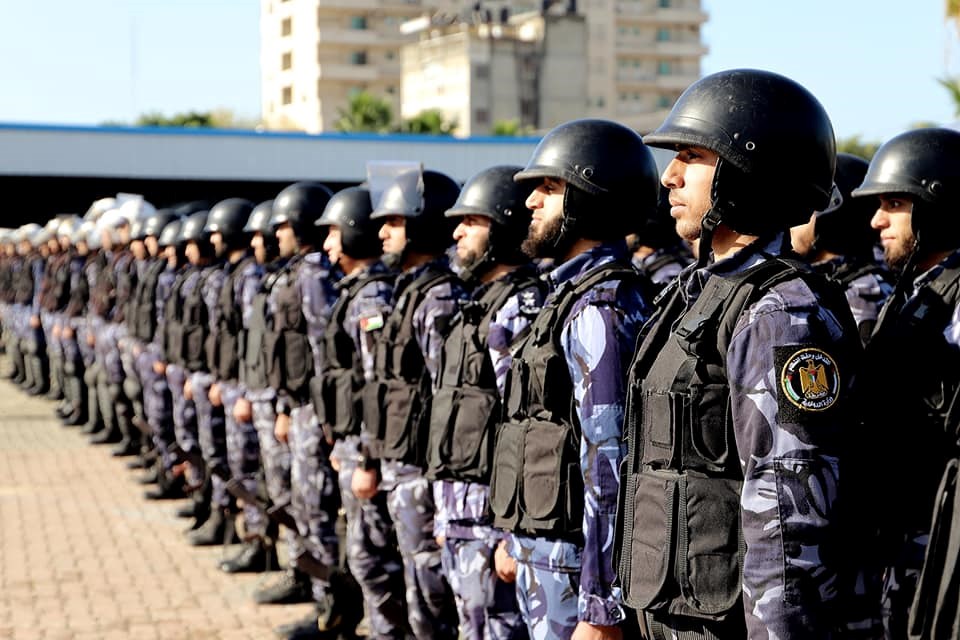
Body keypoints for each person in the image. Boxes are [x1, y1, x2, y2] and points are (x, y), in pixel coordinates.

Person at [614, 69, 863, 639]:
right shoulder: (697, 292)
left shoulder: (780, 315)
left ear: (748, 172)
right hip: (672, 613)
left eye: (692, 156)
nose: (670, 176)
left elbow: (788, 524)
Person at [488, 118, 657, 640]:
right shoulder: (566, 296)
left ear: (590, 197)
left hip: (574, 569)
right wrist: (514, 536)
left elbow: (609, 460)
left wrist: (600, 608)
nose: (531, 201)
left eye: (549, 187)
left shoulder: (600, 307)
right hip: (546, 555)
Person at [849, 127, 960, 639]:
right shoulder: (916, 294)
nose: (877, 220)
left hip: (940, 545)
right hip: (903, 541)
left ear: (938, 208)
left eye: (894, 204)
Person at [425, 165, 543, 640]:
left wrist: (510, 536)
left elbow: (525, 430)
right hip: (461, 517)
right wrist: (444, 514)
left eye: (471, 221)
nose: (457, 233)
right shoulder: (478, 304)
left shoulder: (519, 309)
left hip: (492, 524)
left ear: (504, 227)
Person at [354, 167, 465, 640]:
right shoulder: (411, 290)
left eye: (395, 222)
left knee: (432, 602)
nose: (382, 232)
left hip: (424, 475)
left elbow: (449, 399)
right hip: (402, 469)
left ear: (422, 224)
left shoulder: (440, 298)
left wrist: (444, 498)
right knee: (417, 597)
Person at [317, 186, 407, 639]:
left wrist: (367, 460)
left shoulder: (372, 299)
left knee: (374, 560)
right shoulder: (356, 291)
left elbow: (378, 386)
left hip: (370, 452)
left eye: (334, 232)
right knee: (364, 555)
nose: (327, 244)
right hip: (355, 445)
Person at [790, 152, 894, 344]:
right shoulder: (830, 282)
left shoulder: (861, 295)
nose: (793, 222)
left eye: (806, 209)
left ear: (832, 217)